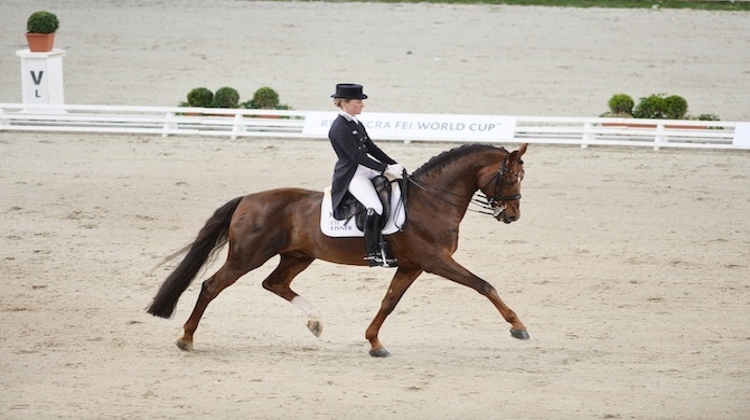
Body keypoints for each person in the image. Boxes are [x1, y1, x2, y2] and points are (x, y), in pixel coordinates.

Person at [327, 83, 405, 267]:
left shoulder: (356, 123)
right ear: (345, 103)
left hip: (367, 170)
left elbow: (371, 148)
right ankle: (373, 252)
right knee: (375, 207)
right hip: (353, 175)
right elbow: (357, 156)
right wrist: (384, 168)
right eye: (358, 102)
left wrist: (394, 164)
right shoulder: (339, 127)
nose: (362, 105)